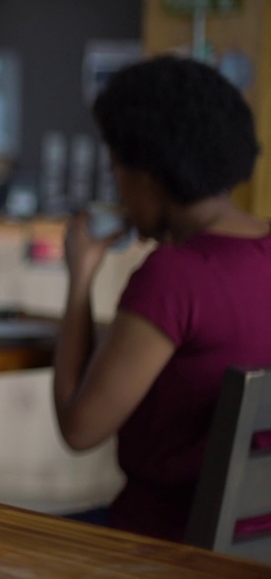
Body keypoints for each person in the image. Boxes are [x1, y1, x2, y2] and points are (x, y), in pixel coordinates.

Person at [54, 55, 271, 543]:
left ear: (148, 176)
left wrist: (80, 279)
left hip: (160, 547)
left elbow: (78, 427)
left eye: (116, 170)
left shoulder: (175, 278)